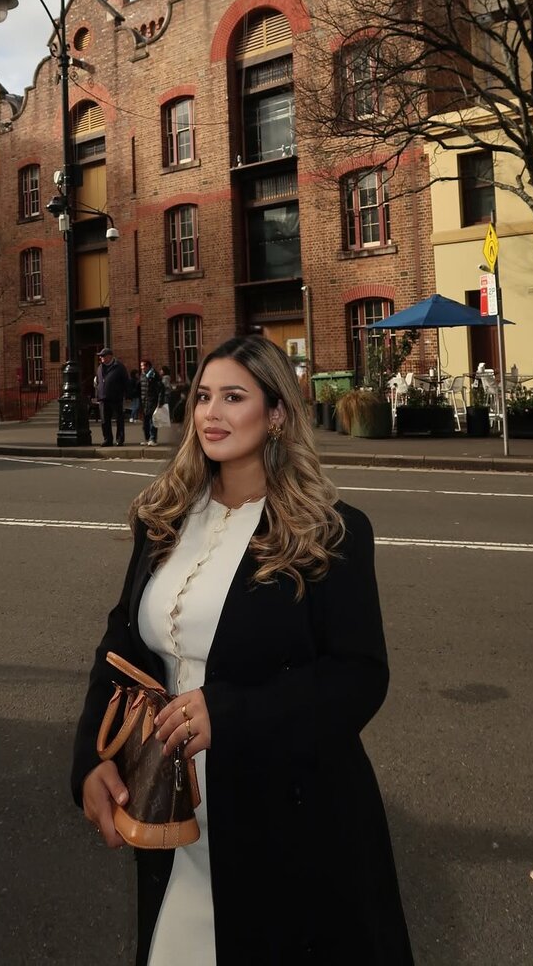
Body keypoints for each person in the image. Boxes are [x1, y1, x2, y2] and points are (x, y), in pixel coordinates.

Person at [71, 335, 414, 966]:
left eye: (234, 397)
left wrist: (231, 713)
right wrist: (93, 759)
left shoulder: (329, 531)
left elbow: (359, 677)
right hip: (167, 803)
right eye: (203, 397)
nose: (211, 413)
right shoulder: (163, 518)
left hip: (285, 818)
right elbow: (121, 646)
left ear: (276, 413)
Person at [96, 347, 128, 447]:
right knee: (104, 420)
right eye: (100, 356)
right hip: (103, 397)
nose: (101, 358)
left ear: (109, 356)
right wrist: (98, 394)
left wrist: (125, 394)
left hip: (116, 397)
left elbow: (125, 381)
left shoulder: (119, 367)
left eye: (103, 356)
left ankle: (120, 439)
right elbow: (98, 382)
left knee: (119, 419)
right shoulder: (100, 368)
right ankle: (107, 439)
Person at [138, 359, 163, 447]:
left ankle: (153, 439)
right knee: (145, 423)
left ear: (148, 366)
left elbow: (160, 389)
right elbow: (140, 388)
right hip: (144, 401)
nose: (142, 368)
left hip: (153, 401)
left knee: (153, 422)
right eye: (141, 366)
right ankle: (147, 438)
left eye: (143, 366)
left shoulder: (154, 375)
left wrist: (160, 402)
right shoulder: (142, 375)